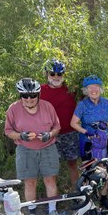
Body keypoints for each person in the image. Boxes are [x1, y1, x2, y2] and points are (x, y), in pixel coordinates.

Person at [4, 78, 62, 215]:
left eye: (32, 95)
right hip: (25, 149)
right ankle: (32, 212)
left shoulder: (47, 106)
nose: (29, 99)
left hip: (48, 147)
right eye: (25, 95)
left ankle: (53, 210)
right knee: (30, 182)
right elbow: (8, 131)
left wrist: (49, 134)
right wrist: (20, 135)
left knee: (50, 179)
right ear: (20, 96)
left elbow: (57, 127)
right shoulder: (13, 109)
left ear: (38, 95)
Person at [70, 75, 108, 210]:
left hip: (103, 141)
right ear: (86, 90)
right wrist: (86, 132)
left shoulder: (106, 103)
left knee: (103, 170)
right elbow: (73, 123)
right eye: (90, 88)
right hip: (88, 143)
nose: (93, 90)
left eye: (96, 87)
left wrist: (106, 124)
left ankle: (103, 197)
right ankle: (86, 199)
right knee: (87, 170)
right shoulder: (82, 105)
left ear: (100, 89)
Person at [40, 58, 79, 188]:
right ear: (47, 74)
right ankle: (53, 200)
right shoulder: (40, 91)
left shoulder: (72, 90)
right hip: (50, 135)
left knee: (73, 164)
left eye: (59, 74)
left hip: (70, 133)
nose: (56, 77)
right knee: (52, 168)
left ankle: (77, 194)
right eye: (52, 74)